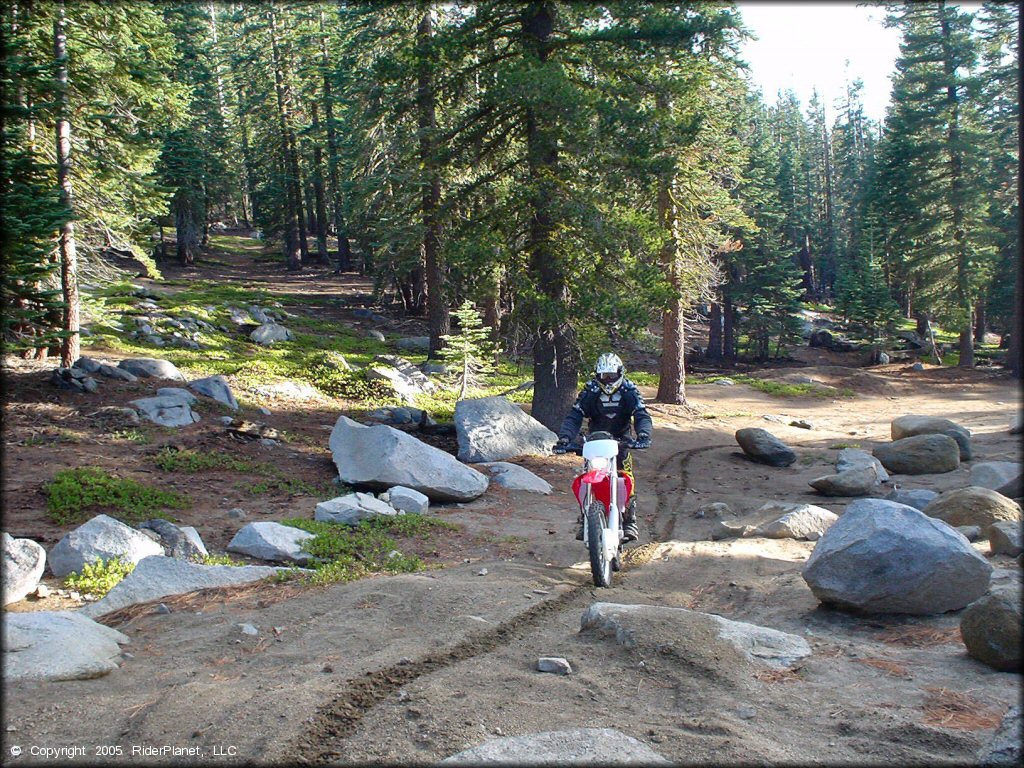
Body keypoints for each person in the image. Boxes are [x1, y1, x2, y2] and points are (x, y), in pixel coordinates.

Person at [553, 352, 652, 542]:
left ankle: (630, 519)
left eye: (611, 375)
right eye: (603, 376)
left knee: (626, 475)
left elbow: (641, 414)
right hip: (594, 442)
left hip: (621, 441)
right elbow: (575, 415)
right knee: (585, 477)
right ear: (597, 375)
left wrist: (643, 435)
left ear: (619, 373)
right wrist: (564, 439)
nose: (607, 380)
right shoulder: (590, 391)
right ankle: (585, 517)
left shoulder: (628, 390)